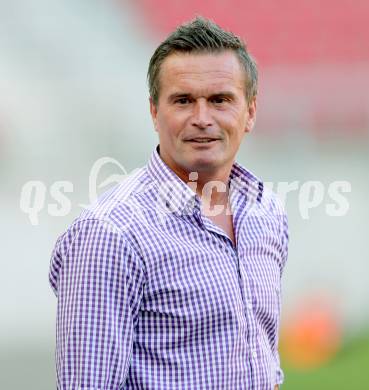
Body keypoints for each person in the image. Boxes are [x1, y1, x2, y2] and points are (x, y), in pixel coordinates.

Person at [49, 16, 288, 390]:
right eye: (183, 101)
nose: (202, 118)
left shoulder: (266, 212)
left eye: (220, 100)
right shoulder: (109, 234)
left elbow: (263, 363)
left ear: (251, 112)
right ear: (154, 112)